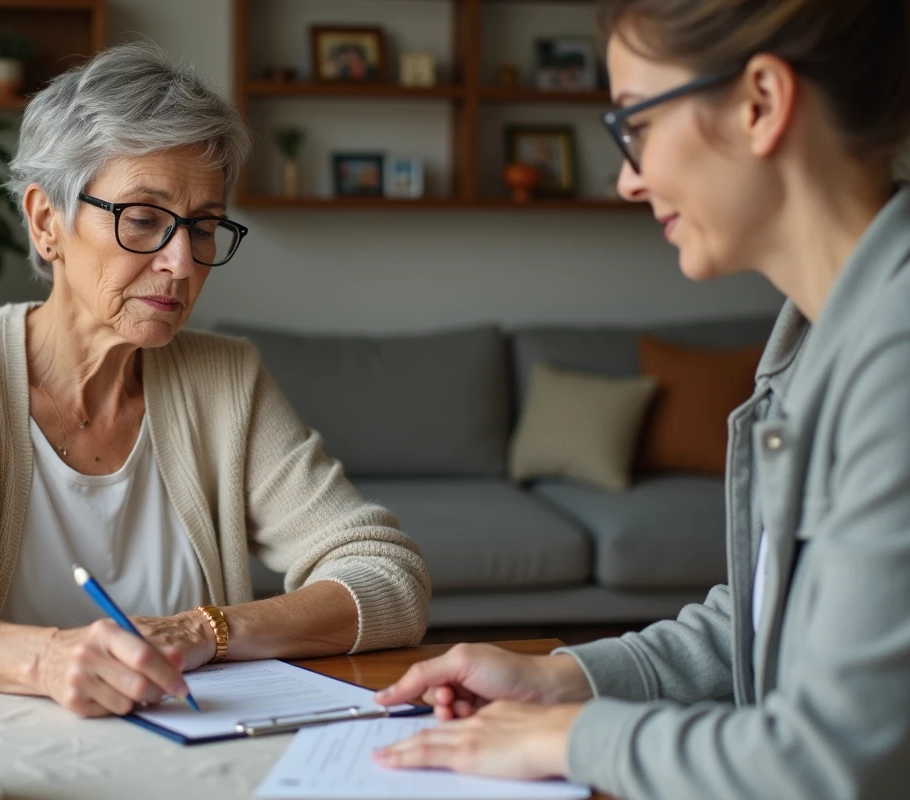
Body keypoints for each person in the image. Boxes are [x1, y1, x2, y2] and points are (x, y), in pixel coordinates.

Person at [372, 0, 910, 796]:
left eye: (639, 124)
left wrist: (568, 737)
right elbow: (768, 619)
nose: (628, 179)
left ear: (761, 103)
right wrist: (564, 680)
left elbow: (830, 761)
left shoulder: (894, 354)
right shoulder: (818, 339)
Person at [0, 42, 431, 717]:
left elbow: (388, 575)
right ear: (46, 222)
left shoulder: (226, 380)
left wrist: (205, 630)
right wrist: (51, 660)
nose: (182, 262)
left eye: (203, 226)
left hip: (179, 741)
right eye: (143, 219)